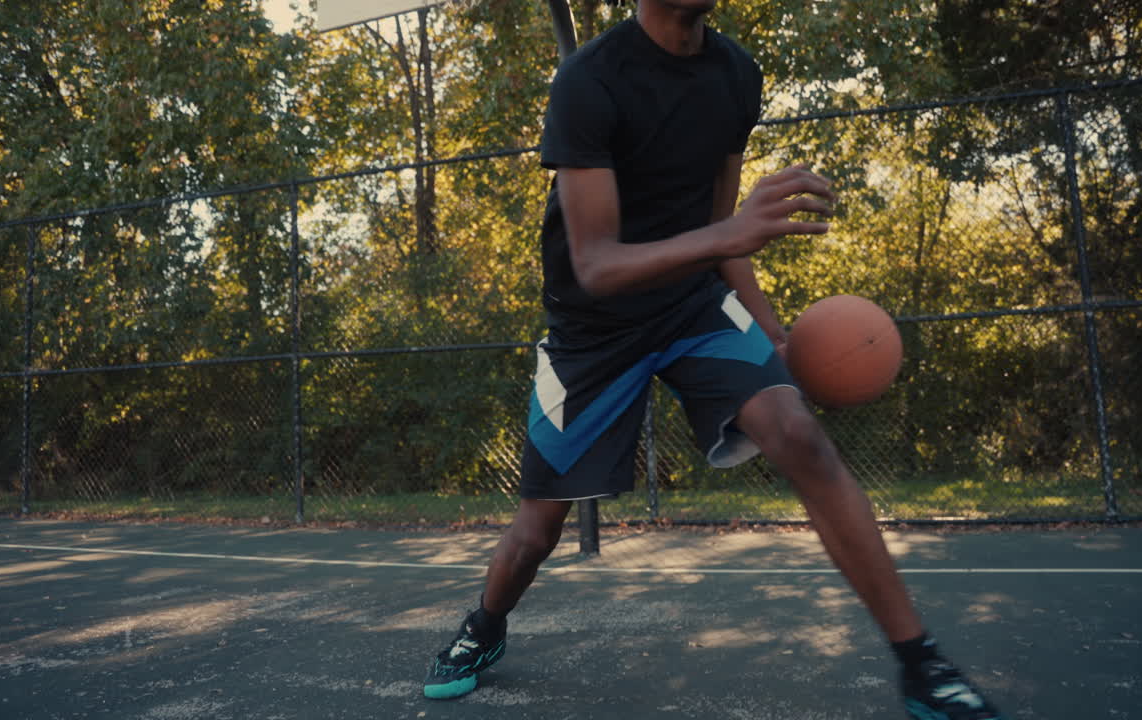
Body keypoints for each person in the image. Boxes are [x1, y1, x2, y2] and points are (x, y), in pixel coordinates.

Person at [423, 2, 1005, 718]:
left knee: (799, 436)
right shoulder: (589, 81)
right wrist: (733, 232)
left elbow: (723, 235)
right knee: (538, 530)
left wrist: (773, 335)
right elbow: (597, 264)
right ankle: (484, 626)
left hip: (692, 305)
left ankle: (921, 665)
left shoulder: (735, 74)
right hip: (593, 332)